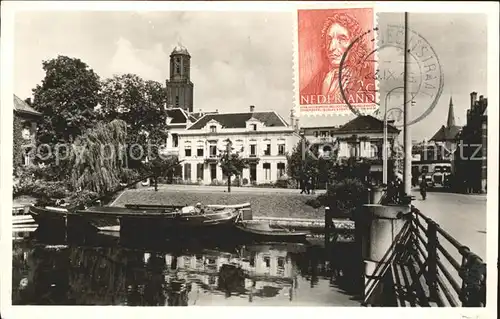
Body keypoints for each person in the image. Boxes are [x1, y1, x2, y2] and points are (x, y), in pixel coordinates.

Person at [300, 12, 373, 101]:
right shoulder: (319, 78)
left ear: (354, 44)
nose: (331, 48)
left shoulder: (366, 78)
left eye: (342, 39)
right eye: (329, 39)